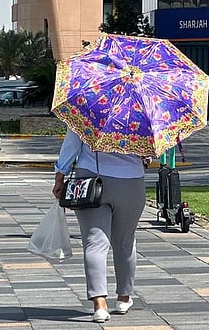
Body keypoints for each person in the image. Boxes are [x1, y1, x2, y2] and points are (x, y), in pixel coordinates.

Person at [52, 128, 146, 323]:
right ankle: (123, 297)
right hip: (131, 181)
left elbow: (72, 143)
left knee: (95, 242)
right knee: (125, 242)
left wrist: (60, 174)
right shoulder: (143, 111)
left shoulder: (87, 105)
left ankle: (99, 304)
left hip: (90, 178)